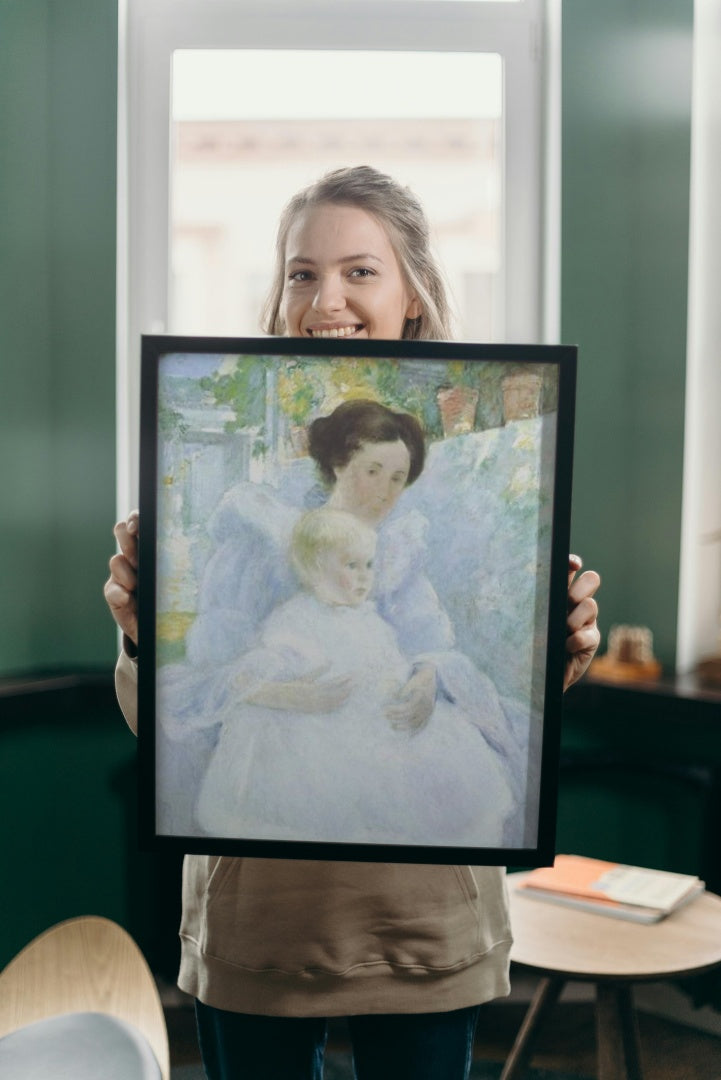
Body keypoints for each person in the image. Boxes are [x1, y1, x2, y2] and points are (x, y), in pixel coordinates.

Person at [105, 165, 601, 1080]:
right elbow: (176, 719)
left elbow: (451, 660)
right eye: (301, 272)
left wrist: (552, 652)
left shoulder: (415, 545)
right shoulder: (249, 526)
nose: (324, 297)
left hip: (420, 911)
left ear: (412, 292)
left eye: (359, 271)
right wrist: (139, 636)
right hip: (263, 910)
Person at [194, 507, 514, 847]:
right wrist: (293, 695)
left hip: (374, 717)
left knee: (441, 754)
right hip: (316, 728)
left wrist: (402, 688)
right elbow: (249, 680)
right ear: (315, 567)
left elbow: (388, 666)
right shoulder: (294, 621)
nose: (364, 577)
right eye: (351, 566)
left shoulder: (369, 620)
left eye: (368, 565)